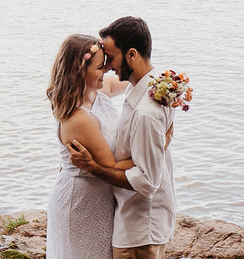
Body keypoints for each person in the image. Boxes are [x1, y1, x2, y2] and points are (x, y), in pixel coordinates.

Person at [68, 16, 176, 259]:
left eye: (111, 57)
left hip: (139, 228)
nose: (108, 66)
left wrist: (92, 167)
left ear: (132, 55)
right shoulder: (152, 87)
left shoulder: (146, 111)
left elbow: (147, 180)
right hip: (134, 220)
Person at [46, 34, 132, 259]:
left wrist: (166, 85)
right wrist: (157, 147)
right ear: (79, 71)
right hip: (81, 203)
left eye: (106, 64)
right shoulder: (78, 118)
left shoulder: (98, 91)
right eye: (100, 67)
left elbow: (136, 79)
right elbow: (113, 168)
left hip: (100, 198)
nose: (107, 70)